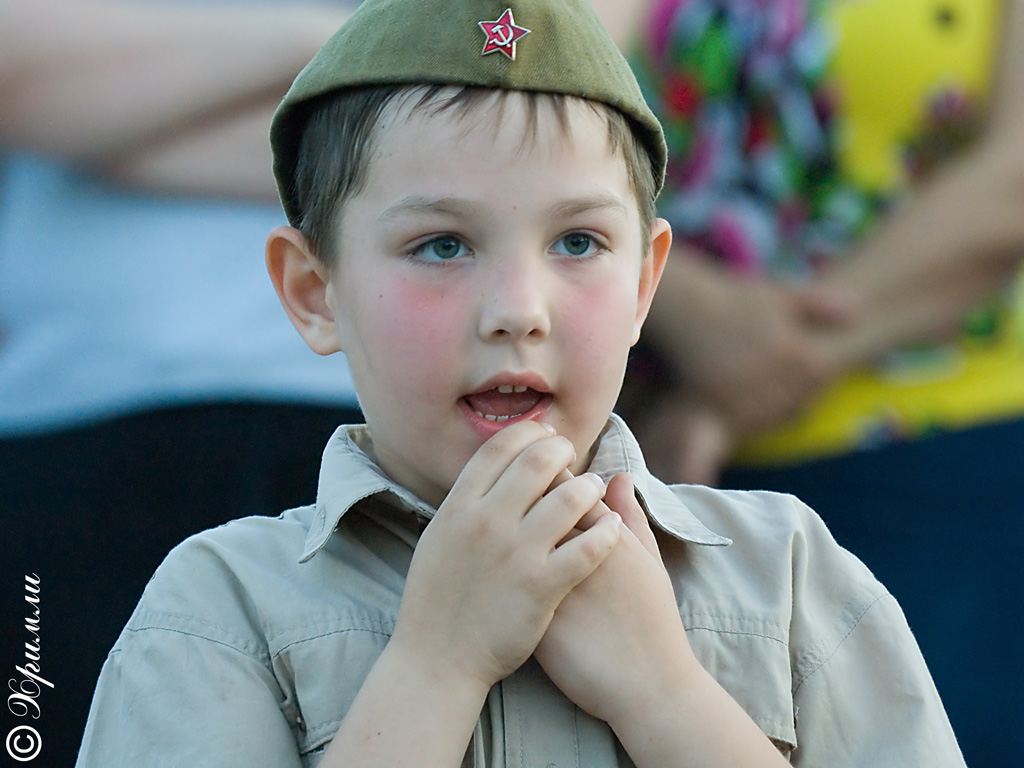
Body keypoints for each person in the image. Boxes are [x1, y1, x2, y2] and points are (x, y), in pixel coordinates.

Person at [75, 0, 965, 765]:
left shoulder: (794, 579)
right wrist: (437, 666)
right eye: (441, 245)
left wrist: (664, 694)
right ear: (316, 293)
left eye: (577, 242)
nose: (518, 311)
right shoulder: (218, 608)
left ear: (647, 283)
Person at [610, 1, 1024, 763]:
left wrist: (744, 377)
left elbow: (1013, 178)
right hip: (677, 482)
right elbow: (526, 69)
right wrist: (679, 296)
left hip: (946, 464)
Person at [0, 2, 359, 764]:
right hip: (71, 435)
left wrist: (98, 115)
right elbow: (13, 77)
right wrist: (353, 52)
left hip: (370, 435)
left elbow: (519, 87)